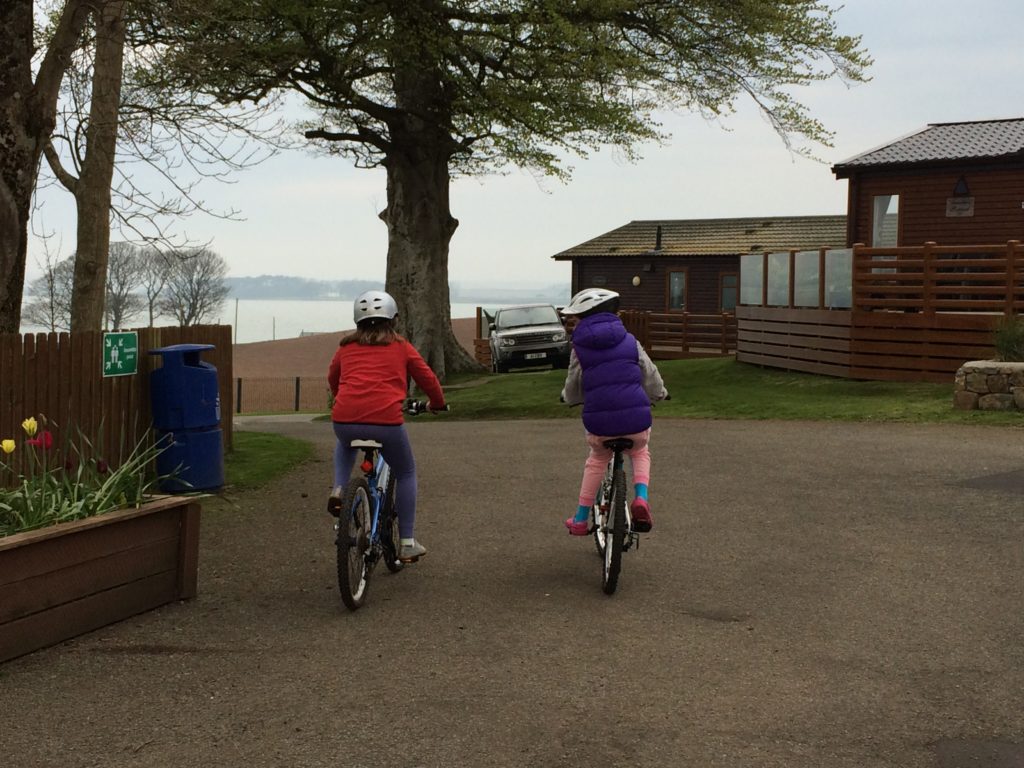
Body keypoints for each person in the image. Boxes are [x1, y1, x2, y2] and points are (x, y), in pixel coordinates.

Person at [327, 290, 446, 562]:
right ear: (393, 319)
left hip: (345, 419)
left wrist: (340, 398)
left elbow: (333, 377)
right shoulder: (401, 346)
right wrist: (437, 403)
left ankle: (339, 489)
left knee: (345, 442)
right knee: (406, 472)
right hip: (386, 423)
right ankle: (406, 542)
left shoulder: (345, 347)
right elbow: (427, 378)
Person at [559, 288, 668, 535]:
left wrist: (570, 398)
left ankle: (580, 518)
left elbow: (574, 383)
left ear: (583, 317)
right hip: (636, 420)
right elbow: (649, 373)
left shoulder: (579, 347)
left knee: (597, 459)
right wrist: (659, 393)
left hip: (600, 424)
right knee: (639, 451)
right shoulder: (630, 341)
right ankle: (641, 497)